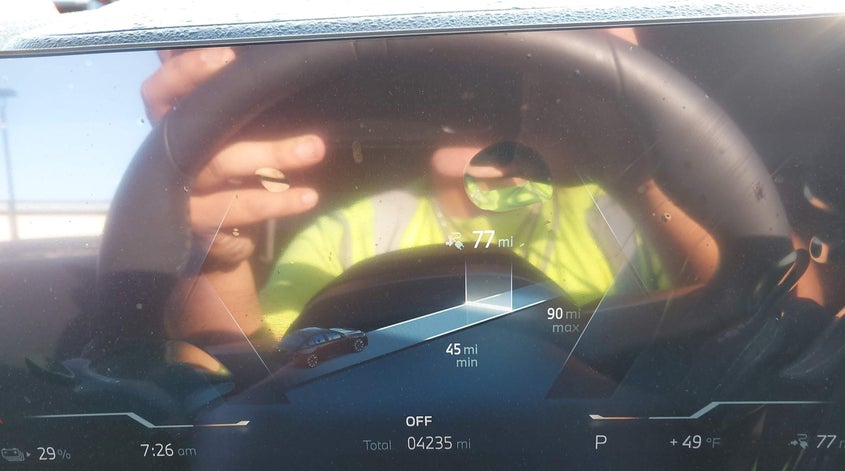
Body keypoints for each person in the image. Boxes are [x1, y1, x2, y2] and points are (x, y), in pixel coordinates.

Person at [142, 34, 721, 346]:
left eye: (499, 79)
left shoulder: (608, 208)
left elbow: (759, 307)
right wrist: (219, 255)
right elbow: (242, 369)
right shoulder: (349, 229)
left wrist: (638, 159)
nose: (469, 101)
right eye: (447, 73)